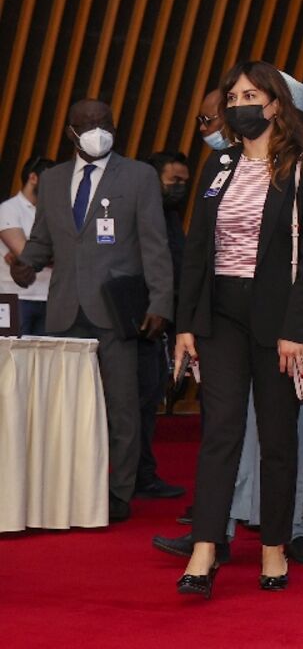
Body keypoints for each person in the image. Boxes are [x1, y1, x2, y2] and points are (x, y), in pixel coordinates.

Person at [172, 60, 303, 598]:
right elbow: (197, 248)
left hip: (277, 320)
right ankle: (205, 547)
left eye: (248, 94)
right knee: (219, 431)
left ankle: (273, 546)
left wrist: (296, 328)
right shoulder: (218, 166)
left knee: (278, 436)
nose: (237, 103)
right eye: (232, 94)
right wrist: (187, 322)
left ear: (273, 104)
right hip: (220, 314)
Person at [11, 99, 173, 523]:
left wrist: (160, 304)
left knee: (122, 406)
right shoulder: (52, 180)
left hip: (117, 313)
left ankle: (118, 493)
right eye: (89, 125)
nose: (99, 130)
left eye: (106, 124)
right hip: (64, 311)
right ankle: (67, 488)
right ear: (71, 132)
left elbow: (155, 246)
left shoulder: (138, 176)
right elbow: (45, 237)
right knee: (64, 408)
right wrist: (26, 263)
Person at [125, 152, 191, 501]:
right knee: (139, 399)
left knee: (150, 398)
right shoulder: (142, 216)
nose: (180, 189)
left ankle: (141, 473)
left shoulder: (171, 215)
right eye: (174, 182)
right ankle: (136, 476)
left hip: (165, 323)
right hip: (142, 321)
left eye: (185, 183)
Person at [0, 156, 54, 335]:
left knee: (43, 361)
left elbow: (72, 252)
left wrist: (31, 252)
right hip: (15, 297)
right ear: (33, 178)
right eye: (51, 180)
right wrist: (53, 253)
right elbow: (26, 253)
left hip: (49, 297)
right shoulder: (9, 209)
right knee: (12, 359)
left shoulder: (54, 213)